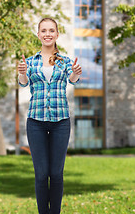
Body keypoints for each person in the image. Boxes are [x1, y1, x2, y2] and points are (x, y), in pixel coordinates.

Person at [18, 17, 82, 214]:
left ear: (56, 34)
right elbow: (23, 82)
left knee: (56, 173)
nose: (47, 34)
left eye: (51, 30)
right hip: (36, 122)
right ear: (38, 34)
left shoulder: (65, 61)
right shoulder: (29, 62)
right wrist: (21, 73)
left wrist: (76, 73)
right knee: (41, 174)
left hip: (60, 121)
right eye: (43, 30)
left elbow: (72, 80)